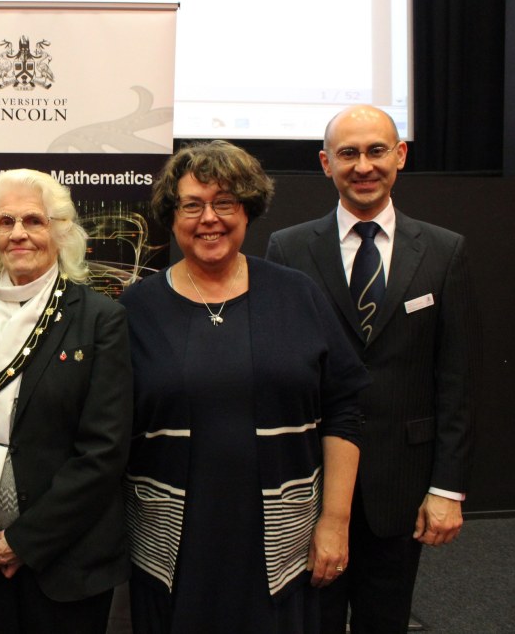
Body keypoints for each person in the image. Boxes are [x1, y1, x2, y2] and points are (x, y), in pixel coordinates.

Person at [120, 140, 370, 633]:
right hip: (172, 541)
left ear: (248, 210)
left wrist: (335, 522)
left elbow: (344, 408)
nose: (208, 218)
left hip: (281, 539)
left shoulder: (296, 294)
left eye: (224, 203)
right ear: (171, 216)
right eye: (191, 205)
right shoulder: (135, 310)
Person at [265, 105, 473, 634]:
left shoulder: (444, 252)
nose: (363, 165)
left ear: (399, 156)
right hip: (309, 480)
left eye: (376, 150)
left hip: (401, 483)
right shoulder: (287, 249)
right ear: (325, 163)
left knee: (387, 619)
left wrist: (447, 489)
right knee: (314, 620)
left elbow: (456, 380)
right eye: (348, 153)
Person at [0, 169, 133, 633]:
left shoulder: (100, 319)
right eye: (5, 222)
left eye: (34, 220)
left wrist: (25, 541)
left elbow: (104, 451)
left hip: (67, 563)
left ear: (61, 232)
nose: (19, 234)